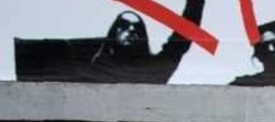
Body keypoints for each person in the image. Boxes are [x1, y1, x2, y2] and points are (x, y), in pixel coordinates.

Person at [13, 0, 206, 84]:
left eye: (136, 28)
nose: (130, 31)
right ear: (114, 32)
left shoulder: (153, 69)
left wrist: (196, 3)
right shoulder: (88, 65)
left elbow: (179, 43)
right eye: (124, 26)